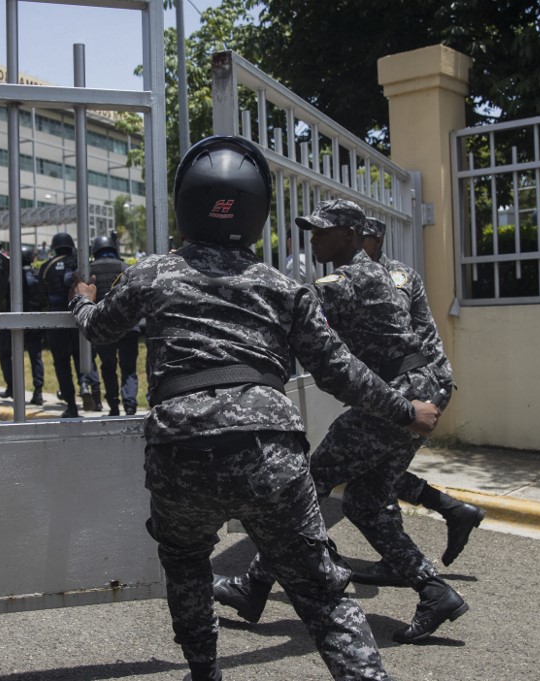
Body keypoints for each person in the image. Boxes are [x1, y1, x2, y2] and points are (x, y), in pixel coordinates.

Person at [68, 136, 441, 681]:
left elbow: (99, 329)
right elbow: (340, 371)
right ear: (259, 213)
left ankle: (205, 670)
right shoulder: (284, 288)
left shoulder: (152, 273)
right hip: (269, 454)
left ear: (186, 206)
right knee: (321, 592)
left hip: (180, 452)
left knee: (187, 564)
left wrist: (80, 299)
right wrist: (405, 410)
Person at [215, 199, 468, 646]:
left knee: (304, 485)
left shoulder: (346, 279)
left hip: (396, 398)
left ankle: (253, 587)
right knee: (366, 504)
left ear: (350, 236)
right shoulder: (375, 274)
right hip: (415, 389)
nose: (313, 239)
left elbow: (284, 306)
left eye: (322, 232)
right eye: (312, 231)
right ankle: (435, 591)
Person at [351, 217, 484, 586]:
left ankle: (442, 525)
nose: (355, 246)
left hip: (413, 389)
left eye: (361, 238)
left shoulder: (390, 277)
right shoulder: (382, 272)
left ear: (376, 240)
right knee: (379, 475)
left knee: (372, 477)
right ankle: (451, 513)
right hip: (414, 385)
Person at [39, 231, 101, 417]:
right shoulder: (80, 262)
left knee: (61, 362)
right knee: (83, 355)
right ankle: (86, 385)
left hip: (55, 318)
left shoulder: (47, 266)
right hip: (78, 315)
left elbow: (41, 291)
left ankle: (71, 405)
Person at [88, 234, 136, 416]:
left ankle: (114, 406)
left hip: (103, 326)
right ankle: (130, 406)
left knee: (108, 366)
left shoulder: (88, 269)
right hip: (129, 326)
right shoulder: (126, 267)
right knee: (129, 368)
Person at [0, 244, 47, 405]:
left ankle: (12, 386)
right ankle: (38, 392)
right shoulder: (37, 274)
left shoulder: (10, 277)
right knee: (35, 357)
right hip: (33, 321)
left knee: (4, 353)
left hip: (13, 321)